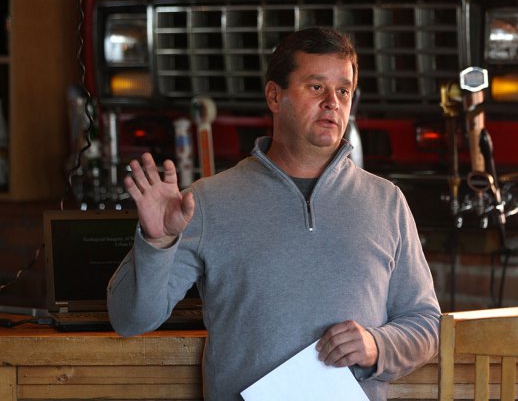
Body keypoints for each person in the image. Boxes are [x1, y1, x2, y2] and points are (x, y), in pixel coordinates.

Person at [107, 26, 441, 400]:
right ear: (274, 96)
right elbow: (130, 319)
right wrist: (157, 241)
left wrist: (377, 345)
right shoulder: (206, 202)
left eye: (343, 90)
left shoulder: (387, 201)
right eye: (316, 87)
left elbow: (426, 325)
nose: (333, 101)